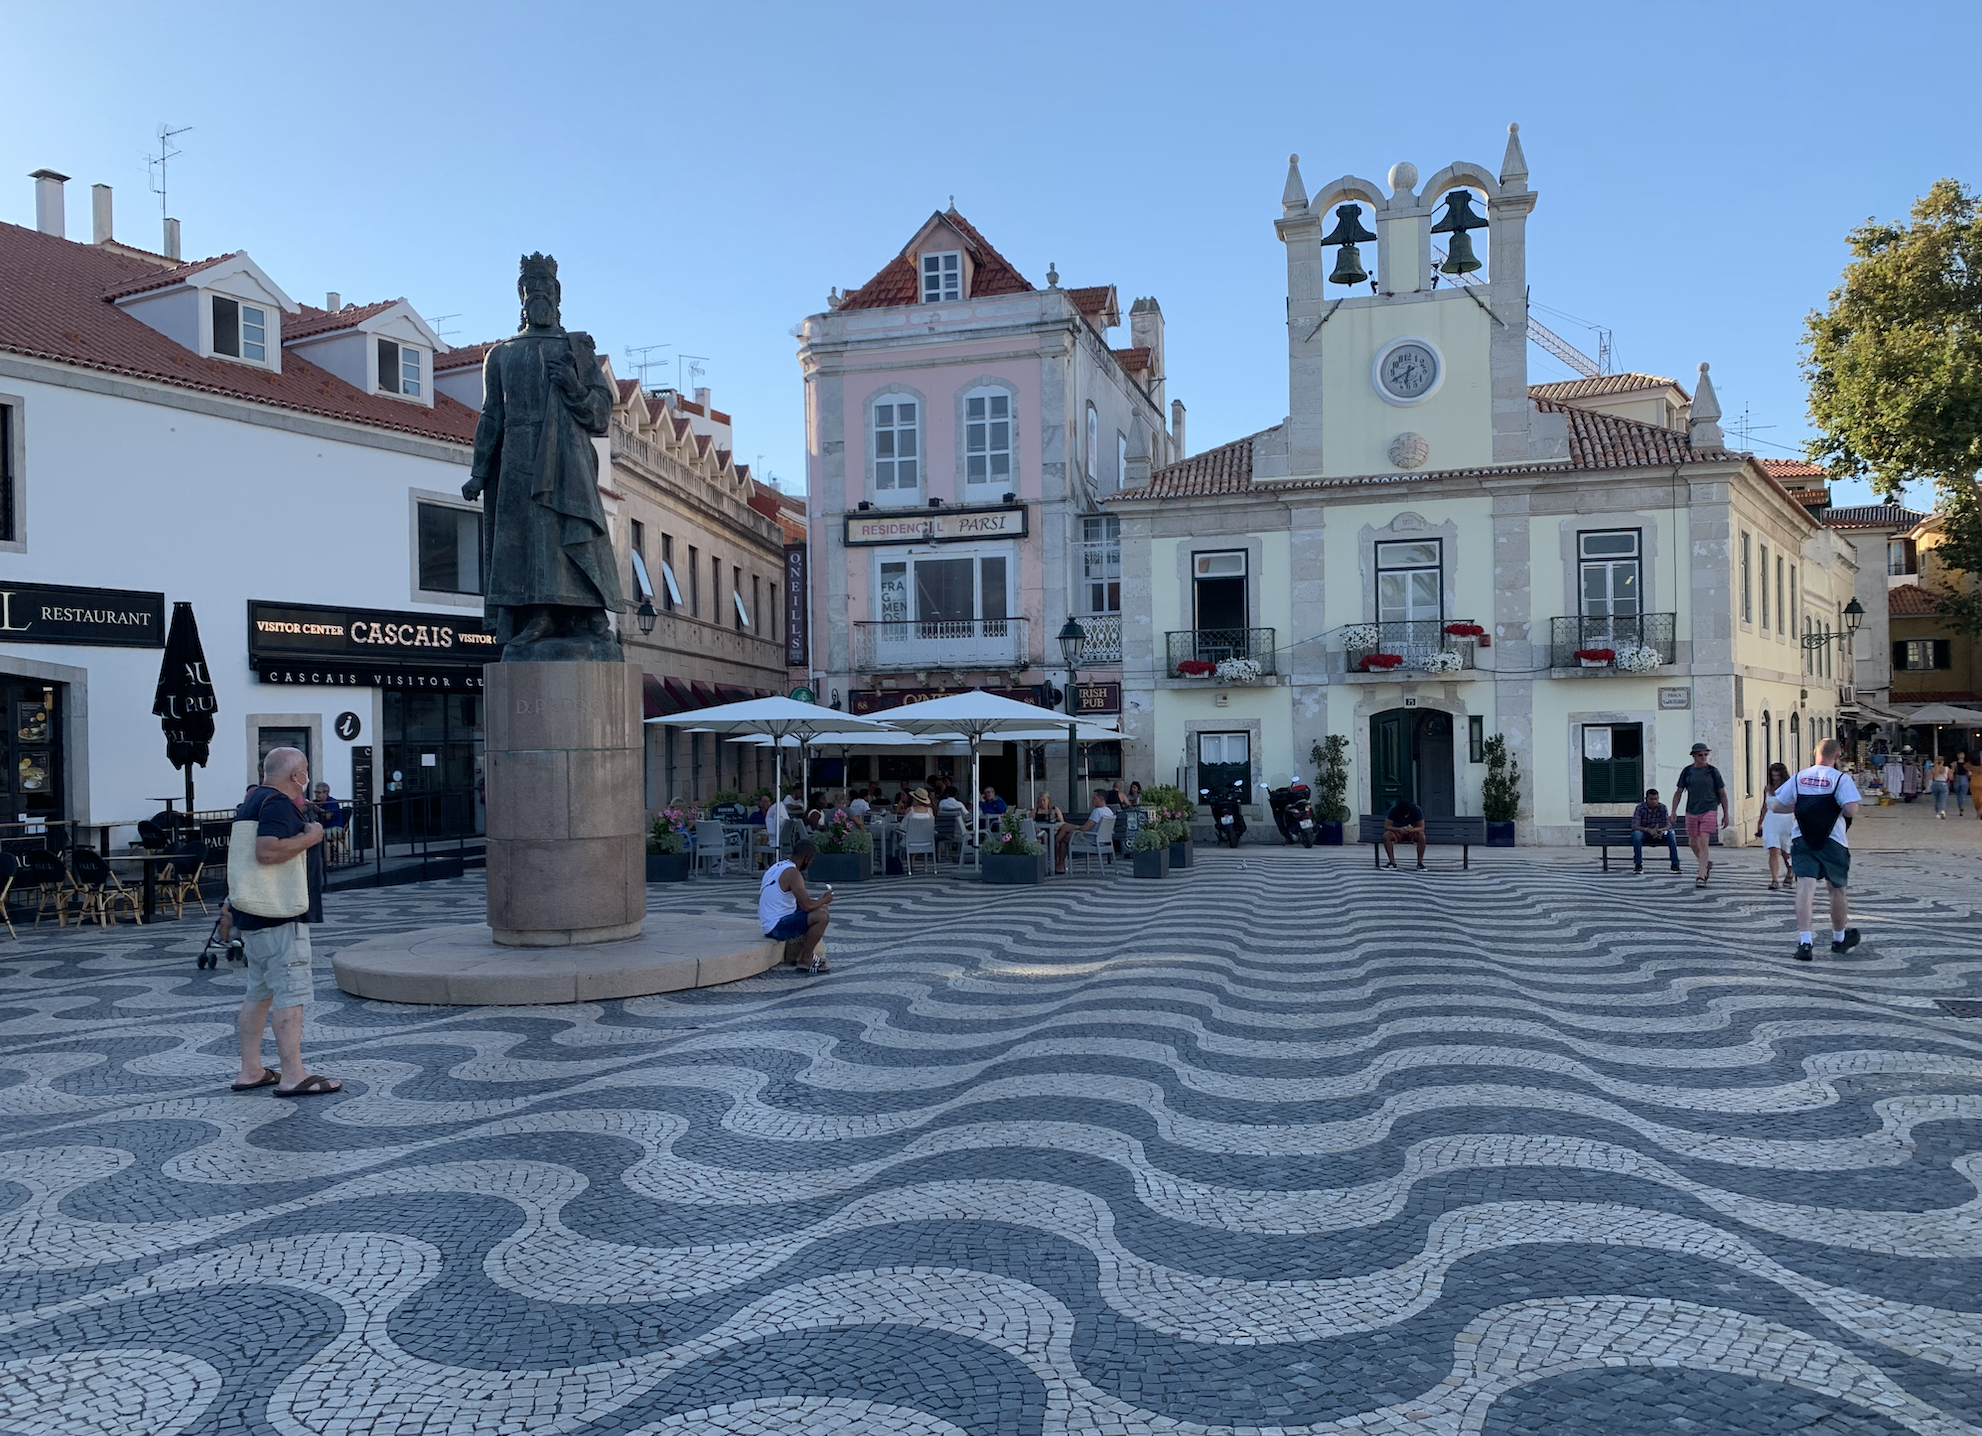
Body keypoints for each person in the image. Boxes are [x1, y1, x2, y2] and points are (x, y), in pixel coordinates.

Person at [229, 747, 337, 1097]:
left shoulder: (252, 800)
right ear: (296, 775)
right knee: (290, 995)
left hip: (253, 914)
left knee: (257, 995)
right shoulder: (276, 803)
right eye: (305, 769)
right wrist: (311, 836)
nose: (307, 776)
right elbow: (268, 851)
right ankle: (294, 1074)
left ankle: (251, 1070)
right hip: (280, 915)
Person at [1770, 737, 1861, 961]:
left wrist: (1800, 806)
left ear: (1814, 752)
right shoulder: (1841, 779)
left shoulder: (1800, 777)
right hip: (1834, 840)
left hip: (1802, 838)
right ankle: (1839, 939)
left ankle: (1805, 942)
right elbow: (1850, 810)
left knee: (1805, 887)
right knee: (1837, 889)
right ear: (1837, 756)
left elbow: (1775, 805)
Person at [760, 838, 833, 973]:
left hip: (770, 921)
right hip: (776, 926)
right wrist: (824, 899)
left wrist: (817, 901)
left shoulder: (778, 866)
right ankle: (805, 959)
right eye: (810, 861)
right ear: (806, 858)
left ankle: (801, 952)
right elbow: (806, 906)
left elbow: (785, 895)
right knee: (822, 916)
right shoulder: (793, 873)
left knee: (820, 908)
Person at [1670, 743, 1730, 887]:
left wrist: (1726, 814)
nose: (1703, 757)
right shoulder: (1687, 772)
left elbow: (1722, 794)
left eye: (1705, 754)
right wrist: (1673, 811)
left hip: (1709, 808)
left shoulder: (1712, 771)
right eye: (1700, 755)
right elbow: (1678, 792)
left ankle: (1701, 874)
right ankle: (1706, 863)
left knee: (1704, 841)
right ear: (1694, 756)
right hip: (1692, 809)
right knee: (1692, 842)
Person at [1754, 762, 1794, 889]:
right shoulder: (1767, 788)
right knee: (1773, 849)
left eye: (1778, 776)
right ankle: (1774, 879)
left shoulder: (1790, 788)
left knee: (1785, 851)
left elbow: (1795, 805)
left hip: (1786, 820)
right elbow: (1764, 806)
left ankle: (1790, 871)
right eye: (1773, 776)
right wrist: (1760, 822)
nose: (1775, 778)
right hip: (1771, 820)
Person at [1054, 789, 1113, 874]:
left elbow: (1085, 828)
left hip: (1091, 840)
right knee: (1065, 828)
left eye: (1094, 798)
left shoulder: (1097, 811)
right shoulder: (1109, 811)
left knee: (1064, 838)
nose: (1092, 800)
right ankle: (1054, 851)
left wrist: (1074, 829)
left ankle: (1059, 864)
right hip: (1103, 841)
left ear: (1100, 799)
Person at [1630, 788, 1682, 875]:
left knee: (1671, 834)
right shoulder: (1640, 808)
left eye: (1656, 799)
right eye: (1651, 799)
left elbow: (1668, 825)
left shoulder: (1662, 807)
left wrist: (1660, 830)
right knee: (1636, 835)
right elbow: (1635, 825)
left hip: (1659, 834)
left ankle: (1675, 865)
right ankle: (1638, 864)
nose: (1654, 801)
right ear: (1646, 799)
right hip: (1645, 834)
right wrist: (1649, 830)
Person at [1382, 797, 1426, 869]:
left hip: (1412, 831)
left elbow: (1421, 827)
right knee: (1386, 836)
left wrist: (1412, 830)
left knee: (1422, 836)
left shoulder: (1417, 810)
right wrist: (1399, 829)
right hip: (1397, 831)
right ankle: (1392, 862)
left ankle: (1420, 863)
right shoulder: (1394, 810)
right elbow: (1387, 826)